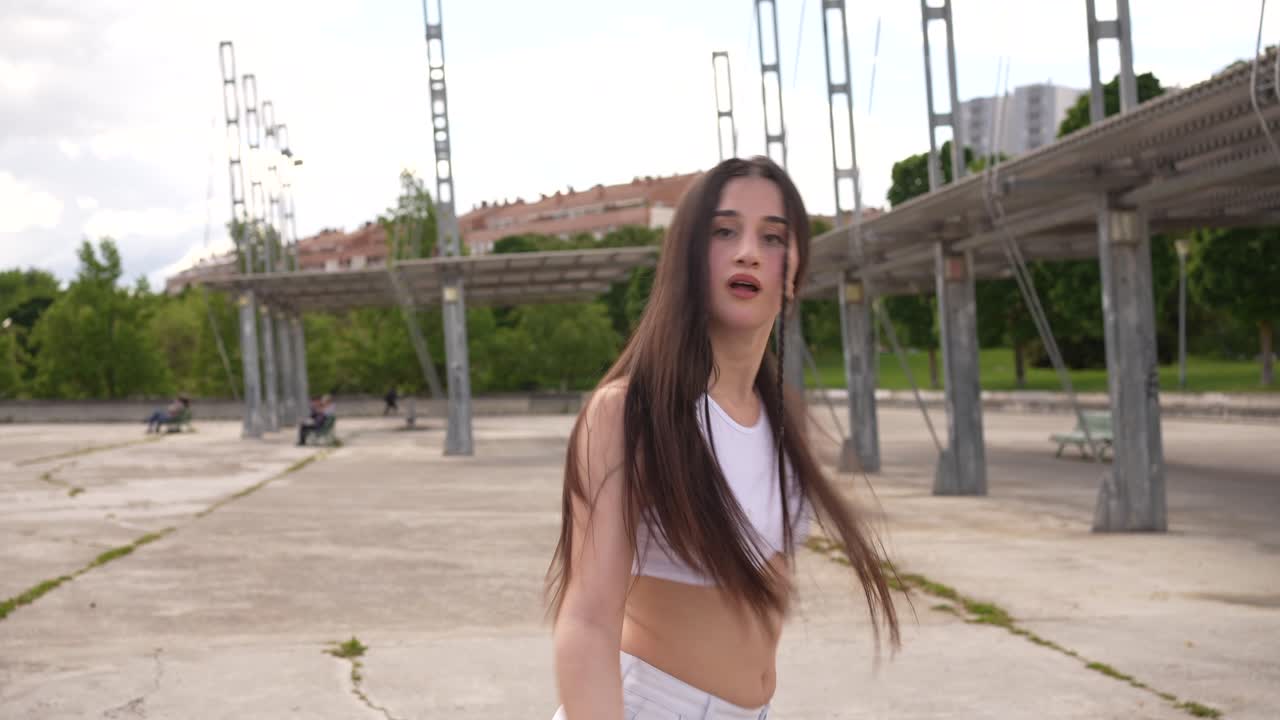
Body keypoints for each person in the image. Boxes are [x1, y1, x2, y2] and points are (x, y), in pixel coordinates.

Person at [546, 157, 900, 720]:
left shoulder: (783, 417)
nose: (748, 252)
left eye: (773, 237)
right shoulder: (630, 413)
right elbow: (588, 619)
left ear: (794, 271)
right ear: (688, 256)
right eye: (724, 231)